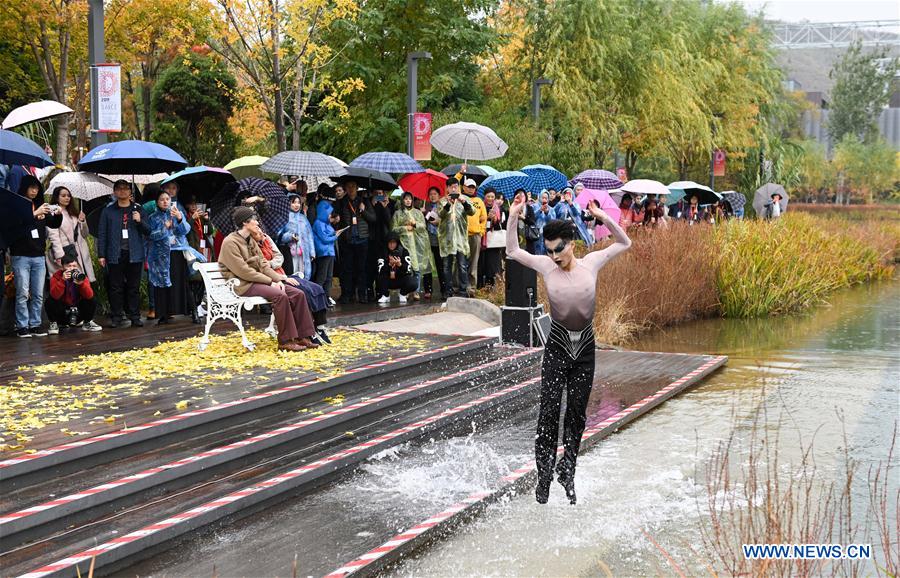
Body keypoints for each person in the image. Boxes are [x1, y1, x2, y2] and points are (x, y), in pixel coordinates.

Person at [506, 193, 632, 505]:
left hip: (585, 349)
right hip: (558, 346)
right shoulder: (547, 267)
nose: (555, 256)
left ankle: (567, 469)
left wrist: (601, 218)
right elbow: (512, 250)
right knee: (549, 411)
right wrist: (512, 217)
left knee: (576, 415)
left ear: (571, 243)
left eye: (559, 249)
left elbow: (624, 243)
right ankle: (544, 473)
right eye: (549, 251)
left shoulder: (591, 263)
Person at [218, 207, 319, 352]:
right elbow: (244, 272)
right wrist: (270, 282)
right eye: (254, 219)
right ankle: (285, 340)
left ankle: (304, 336)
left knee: (297, 293)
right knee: (279, 295)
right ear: (245, 223)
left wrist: (280, 279)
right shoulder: (230, 242)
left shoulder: (250, 240)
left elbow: (264, 265)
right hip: (242, 284)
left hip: (257, 281)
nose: (257, 222)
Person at [253, 226, 331, 344]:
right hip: (274, 279)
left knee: (316, 288)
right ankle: (309, 332)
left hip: (282, 274)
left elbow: (279, 257)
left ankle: (320, 327)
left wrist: (270, 263)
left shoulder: (266, 239)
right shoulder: (252, 246)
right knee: (303, 291)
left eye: (262, 231)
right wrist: (273, 269)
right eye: (258, 233)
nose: (262, 234)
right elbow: (259, 266)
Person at [11, 175, 62, 337]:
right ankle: (22, 326)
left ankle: (35, 324)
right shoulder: (17, 205)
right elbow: (13, 226)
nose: (34, 191)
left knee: (38, 293)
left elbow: (53, 224)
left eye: (37, 188)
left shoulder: (41, 205)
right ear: (24, 188)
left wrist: (58, 214)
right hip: (20, 255)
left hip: (39, 255)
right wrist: (34, 214)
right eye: (31, 187)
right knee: (22, 292)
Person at [98, 179, 151, 328]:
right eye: (119, 189)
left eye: (126, 188)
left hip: (135, 253)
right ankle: (117, 316)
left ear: (130, 191)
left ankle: (134, 316)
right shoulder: (108, 211)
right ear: (114, 192)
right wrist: (101, 254)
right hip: (115, 253)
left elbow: (148, 231)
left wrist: (139, 221)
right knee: (116, 287)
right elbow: (103, 233)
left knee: (133, 287)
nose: (123, 191)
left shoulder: (138, 209)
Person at [147, 190, 189, 324]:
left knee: (176, 282)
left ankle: (175, 310)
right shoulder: (153, 217)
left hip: (175, 252)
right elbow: (151, 236)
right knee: (161, 284)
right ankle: (163, 314)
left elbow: (185, 231)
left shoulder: (177, 213)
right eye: (162, 199)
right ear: (157, 202)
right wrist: (165, 228)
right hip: (160, 256)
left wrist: (180, 218)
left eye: (167, 199)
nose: (165, 202)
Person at [336, 180, 375, 304]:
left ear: (357, 187)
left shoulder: (364, 201)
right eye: (348, 186)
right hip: (347, 240)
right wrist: (336, 218)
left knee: (361, 268)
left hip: (362, 239)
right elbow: (335, 217)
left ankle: (362, 294)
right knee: (347, 269)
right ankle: (347, 294)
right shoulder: (342, 202)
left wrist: (363, 210)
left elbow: (373, 219)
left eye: (353, 186)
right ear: (346, 188)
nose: (351, 189)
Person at [438, 177, 475, 299]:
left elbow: (472, 212)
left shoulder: (465, 199)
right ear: (447, 188)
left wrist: (463, 202)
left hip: (460, 238)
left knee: (462, 265)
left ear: (458, 187)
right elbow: (441, 215)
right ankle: (448, 291)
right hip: (447, 239)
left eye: (456, 186)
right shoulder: (442, 201)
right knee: (447, 266)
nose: (454, 188)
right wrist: (448, 204)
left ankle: (463, 290)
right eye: (451, 186)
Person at [46, 253, 103, 333]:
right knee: (49, 300)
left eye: (74, 266)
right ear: (63, 267)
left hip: (78, 312)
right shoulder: (56, 277)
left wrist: (81, 284)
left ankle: (87, 323)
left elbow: (89, 296)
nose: (72, 268)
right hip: (62, 312)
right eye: (69, 266)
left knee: (92, 299)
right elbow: (55, 296)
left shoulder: (81, 276)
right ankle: (54, 323)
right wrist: (62, 280)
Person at [391, 191, 429, 300]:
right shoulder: (398, 213)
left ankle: (416, 292)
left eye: (410, 199)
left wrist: (415, 224)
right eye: (406, 199)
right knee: (405, 269)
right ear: (402, 200)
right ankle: (405, 291)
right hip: (403, 245)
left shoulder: (417, 213)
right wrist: (404, 228)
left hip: (416, 244)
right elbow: (393, 229)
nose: (408, 201)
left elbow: (423, 226)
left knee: (416, 269)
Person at [279, 193, 316, 280]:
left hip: (304, 252)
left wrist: (312, 251)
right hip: (290, 252)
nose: (297, 205)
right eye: (294, 202)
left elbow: (310, 235)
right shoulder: (284, 217)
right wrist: (290, 236)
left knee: (304, 274)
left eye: (298, 202)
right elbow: (279, 237)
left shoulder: (304, 218)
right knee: (293, 273)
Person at [376, 232, 418, 304]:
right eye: (390, 243)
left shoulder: (404, 251)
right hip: (387, 279)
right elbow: (380, 270)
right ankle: (386, 295)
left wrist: (399, 264)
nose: (392, 245)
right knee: (379, 277)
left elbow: (408, 270)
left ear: (397, 243)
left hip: (400, 278)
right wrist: (389, 264)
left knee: (413, 282)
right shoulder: (383, 252)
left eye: (394, 242)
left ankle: (403, 294)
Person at [421, 186, 447, 300]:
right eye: (430, 194)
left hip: (439, 239)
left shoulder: (442, 206)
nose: (432, 196)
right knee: (427, 265)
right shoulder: (425, 206)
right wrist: (422, 213)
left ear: (439, 195)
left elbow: (440, 221)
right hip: (427, 238)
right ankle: (428, 289)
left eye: (435, 194)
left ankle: (444, 290)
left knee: (440, 265)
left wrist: (428, 214)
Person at [463, 178, 487, 295]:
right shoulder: (460, 199)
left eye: (473, 187)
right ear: (464, 187)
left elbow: (483, 218)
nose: (471, 189)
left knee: (473, 263)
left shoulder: (479, 201)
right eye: (469, 186)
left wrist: (481, 232)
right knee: (460, 262)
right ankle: (459, 287)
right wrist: (460, 173)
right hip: (462, 236)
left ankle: (471, 288)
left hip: (475, 235)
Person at [312, 198, 339, 302]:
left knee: (329, 276)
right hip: (323, 253)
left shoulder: (327, 223)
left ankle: (327, 296)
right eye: (328, 213)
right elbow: (324, 238)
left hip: (330, 252)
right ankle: (319, 298)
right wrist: (335, 236)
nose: (330, 215)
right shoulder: (318, 223)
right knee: (322, 277)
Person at [479, 188, 506, 288]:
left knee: (492, 264)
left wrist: (494, 220)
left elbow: (501, 227)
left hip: (493, 242)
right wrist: (487, 218)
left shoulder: (498, 209)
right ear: (484, 196)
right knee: (482, 263)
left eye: (492, 197)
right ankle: (480, 285)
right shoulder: (481, 207)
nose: (490, 199)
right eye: (488, 196)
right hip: (482, 239)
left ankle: (491, 285)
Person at [532, 190, 554, 255]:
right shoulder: (534, 206)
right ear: (539, 197)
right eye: (543, 197)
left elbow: (553, 221)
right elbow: (531, 218)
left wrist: (547, 213)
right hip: (536, 232)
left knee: (547, 251)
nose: (544, 199)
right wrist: (540, 210)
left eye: (546, 198)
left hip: (547, 233)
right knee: (537, 251)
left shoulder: (551, 209)